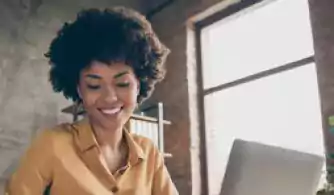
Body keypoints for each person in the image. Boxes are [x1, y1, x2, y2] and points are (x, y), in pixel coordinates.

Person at [6, 7, 178, 195]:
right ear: (79, 89)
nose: (110, 98)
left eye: (122, 83)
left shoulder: (149, 153)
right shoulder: (53, 145)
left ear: (139, 85)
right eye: (94, 86)